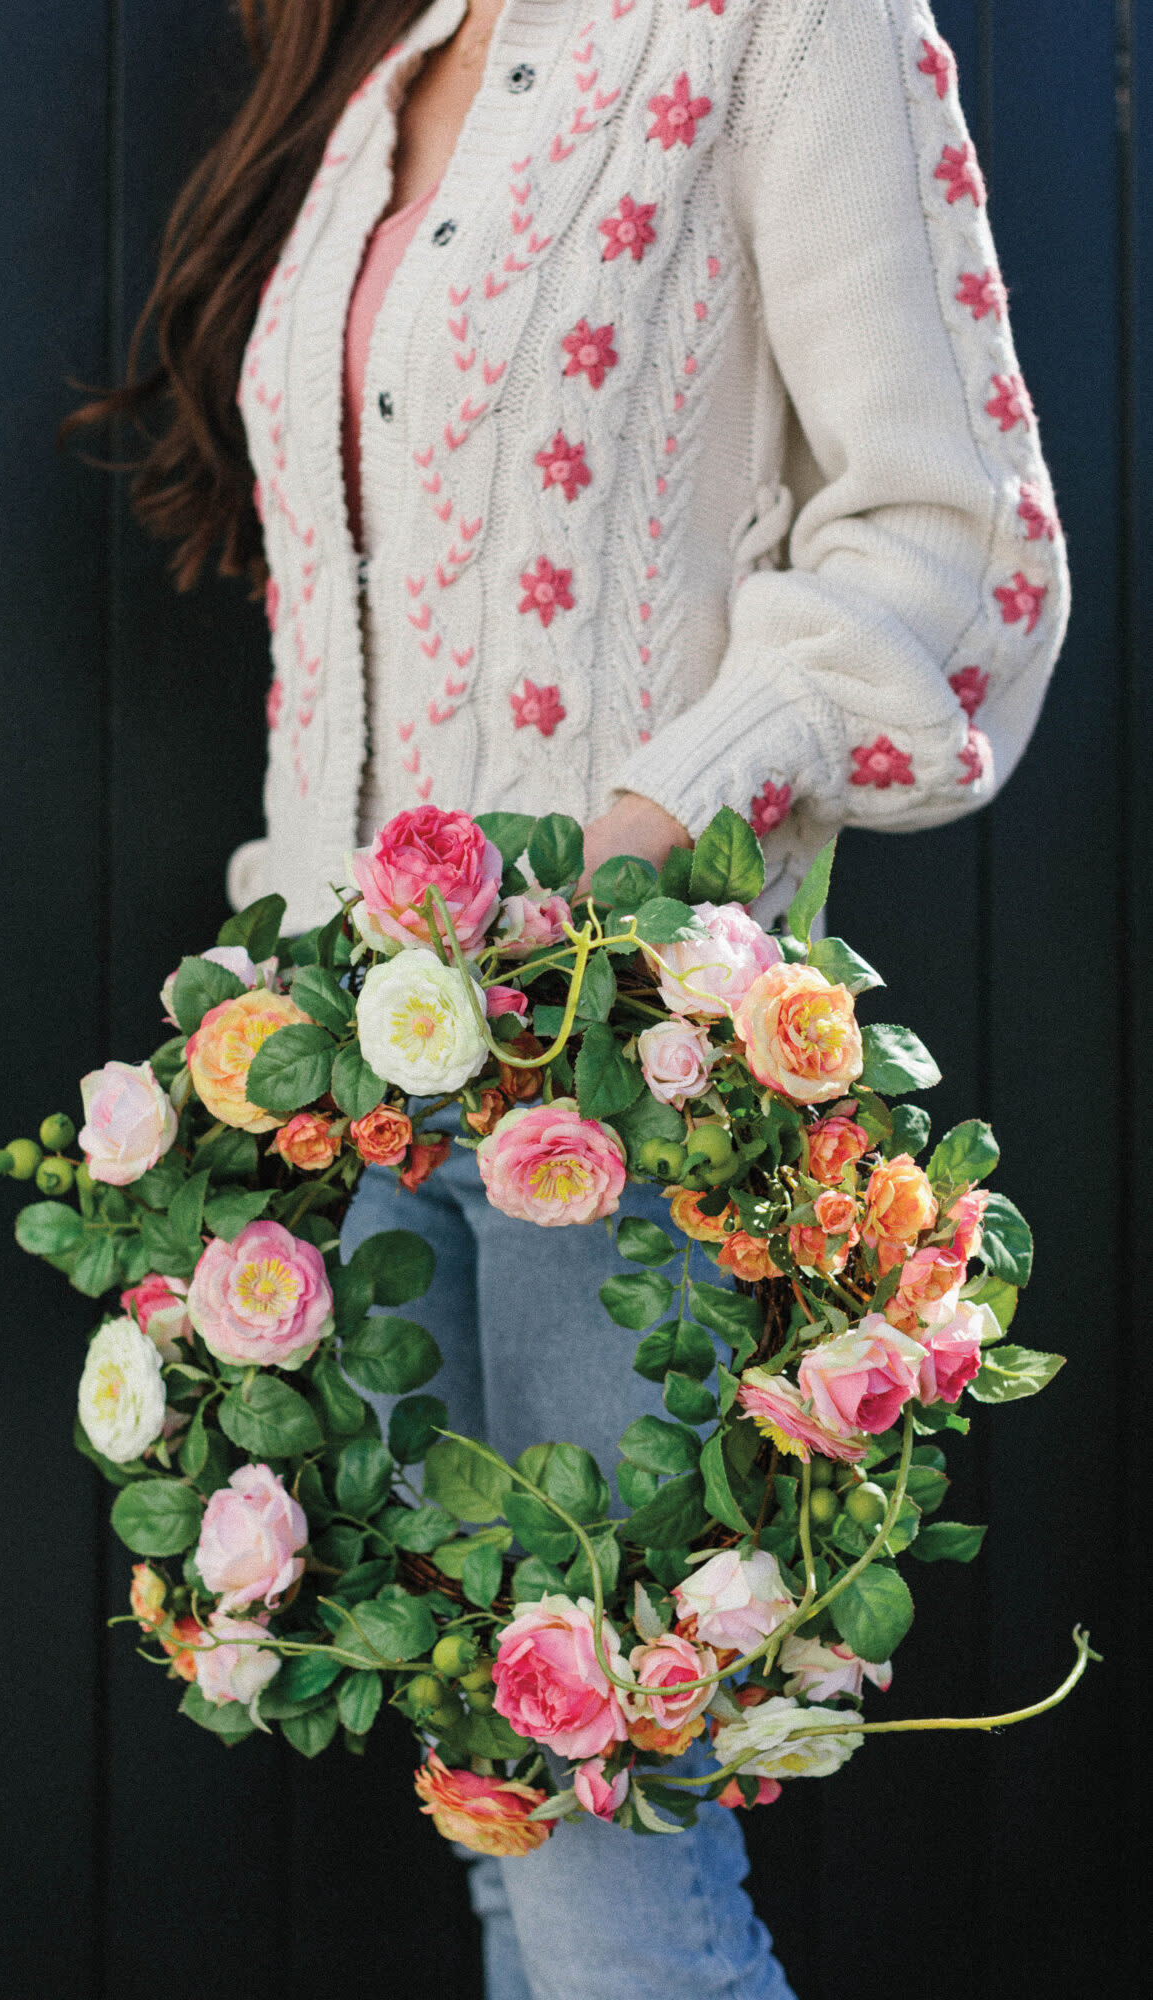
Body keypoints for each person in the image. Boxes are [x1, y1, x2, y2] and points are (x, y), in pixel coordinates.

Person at [70, 3, 1067, 1993]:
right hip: (364, 1099)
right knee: (521, 1847)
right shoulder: (380, 60)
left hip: (628, 1108)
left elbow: (954, 544)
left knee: (613, 1881)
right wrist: (273, 1030)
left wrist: (637, 829)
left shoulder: (783, 21)